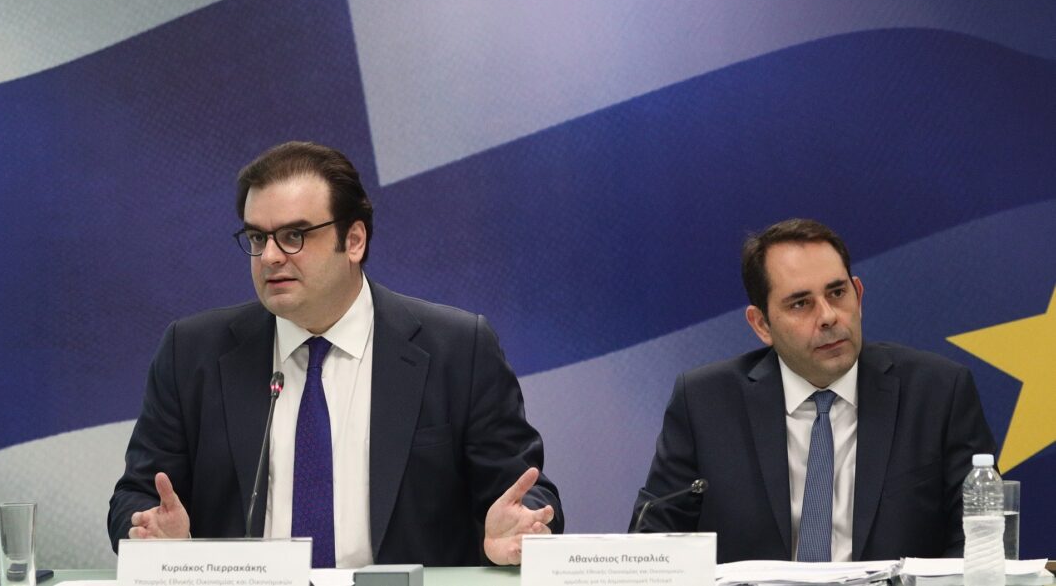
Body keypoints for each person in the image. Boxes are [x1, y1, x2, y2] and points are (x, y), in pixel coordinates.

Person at [108, 141, 563, 567]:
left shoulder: (458, 349)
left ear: (355, 241)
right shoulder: (192, 353)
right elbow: (138, 495)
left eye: (294, 235)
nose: (270, 257)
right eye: (257, 238)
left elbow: (526, 494)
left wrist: (522, 527)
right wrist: (150, 532)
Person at [630, 218, 995, 563]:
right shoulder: (705, 404)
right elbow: (653, 546)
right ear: (762, 324)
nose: (828, 316)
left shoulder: (938, 393)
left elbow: (981, 546)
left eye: (837, 293)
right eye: (800, 303)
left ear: (858, 296)